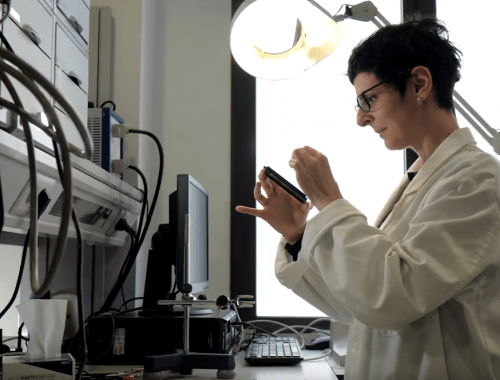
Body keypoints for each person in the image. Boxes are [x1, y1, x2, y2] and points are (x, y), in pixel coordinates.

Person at [236, 14, 500, 380]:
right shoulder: (423, 180)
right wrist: (299, 237)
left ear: (420, 84)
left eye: (370, 99)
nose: (362, 119)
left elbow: (392, 297)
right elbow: (358, 303)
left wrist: (328, 200)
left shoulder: (476, 180)